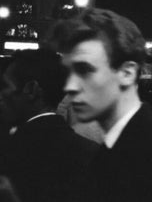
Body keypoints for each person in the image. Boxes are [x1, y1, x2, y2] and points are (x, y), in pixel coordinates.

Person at [48, 7, 152, 202]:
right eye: (69, 72)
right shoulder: (130, 144)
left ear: (127, 73)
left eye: (84, 70)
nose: (70, 86)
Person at [0, 49, 99, 202]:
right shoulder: (91, 152)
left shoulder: (11, 151)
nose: (1, 95)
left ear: (31, 89)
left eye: (5, 86)